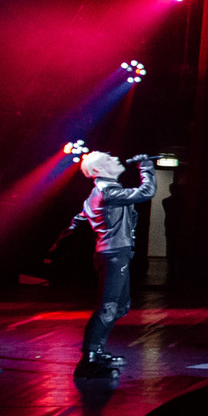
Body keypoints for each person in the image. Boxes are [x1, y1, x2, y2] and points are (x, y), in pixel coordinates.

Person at [70, 150, 155, 370]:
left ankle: (97, 349)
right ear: (97, 170)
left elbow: (79, 219)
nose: (116, 159)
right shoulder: (107, 191)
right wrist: (146, 167)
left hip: (117, 252)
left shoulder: (101, 193)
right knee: (108, 306)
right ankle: (88, 357)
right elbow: (146, 191)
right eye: (108, 160)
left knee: (120, 306)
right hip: (114, 253)